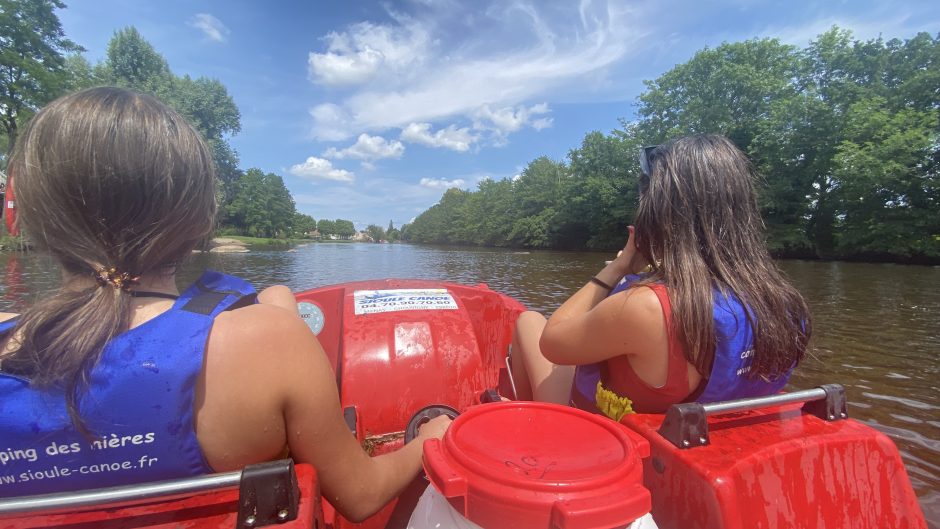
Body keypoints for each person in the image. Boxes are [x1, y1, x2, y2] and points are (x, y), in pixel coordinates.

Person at [0, 87, 450, 521]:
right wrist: (431, 438)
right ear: (198, 222)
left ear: (20, 217)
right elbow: (362, 496)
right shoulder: (268, 342)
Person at [509, 134, 812, 420]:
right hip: (701, 432)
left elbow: (552, 343)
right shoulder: (785, 303)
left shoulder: (646, 307)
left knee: (529, 321)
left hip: (610, 441)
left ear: (660, 212)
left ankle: (534, 432)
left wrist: (617, 269)